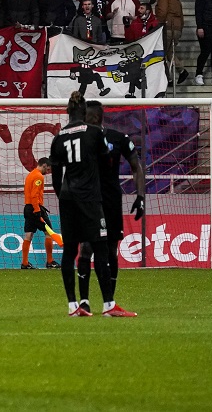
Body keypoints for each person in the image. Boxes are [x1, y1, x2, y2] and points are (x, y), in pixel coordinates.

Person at [50, 92, 134, 318]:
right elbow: (106, 160)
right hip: (90, 198)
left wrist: (63, 197)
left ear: (68, 112)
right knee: (100, 249)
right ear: (84, 112)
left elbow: (56, 177)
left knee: (70, 251)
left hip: (67, 199)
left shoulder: (58, 138)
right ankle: (108, 305)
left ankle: (73, 306)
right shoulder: (94, 133)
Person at [74, 101, 145, 316]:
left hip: (111, 201)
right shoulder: (77, 141)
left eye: (88, 117)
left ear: (96, 117)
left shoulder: (119, 139)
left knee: (111, 252)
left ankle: (109, 304)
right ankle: (84, 303)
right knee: (87, 248)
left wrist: (140, 196)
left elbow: (136, 167)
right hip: (88, 201)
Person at [21, 157, 60, 270]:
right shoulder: (38, 176)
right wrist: (37, 210)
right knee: (49, 232)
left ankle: (24, 263)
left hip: (27, 208)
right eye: (47, 169)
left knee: (29, 234)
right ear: (43, 165)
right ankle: (50, 261)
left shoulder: (30, 175)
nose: (47, 172)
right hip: (35, 208)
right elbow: (34, 195)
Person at [156, 0, 190, 85]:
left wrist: (158, 24)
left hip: (167, 27)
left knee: (161, 53)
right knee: (170, 52)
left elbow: (162, 11)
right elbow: (181, 17)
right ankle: (180, 72)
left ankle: (169, 77)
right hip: (177, 28)